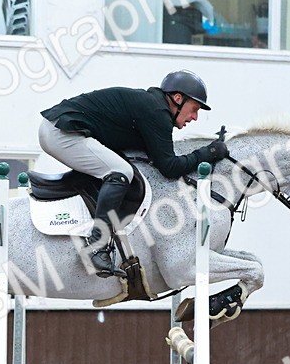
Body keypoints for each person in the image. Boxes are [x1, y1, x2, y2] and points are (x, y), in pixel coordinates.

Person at [39, 71, 228, 277]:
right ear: (178, 98)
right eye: (194, 109)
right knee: (120, 172)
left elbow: (155, 158)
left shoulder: (152, 107)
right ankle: (97, 245)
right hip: (61, 131)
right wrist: (208, 152)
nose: (195, 117)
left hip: (59, 129)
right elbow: (169, 167)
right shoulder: (157, 112)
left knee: (119, 167)